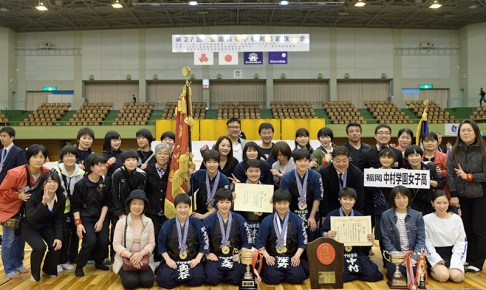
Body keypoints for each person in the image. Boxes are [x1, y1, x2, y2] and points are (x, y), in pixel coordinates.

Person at [0, 144, 50, 279]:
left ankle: (18, 263)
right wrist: (18, 195)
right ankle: (9, 268)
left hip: (28, 211)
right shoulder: (15, 173)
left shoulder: (46, 172)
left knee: (21, 237)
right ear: (28, 158)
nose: (38, 160)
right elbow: (2, 191)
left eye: (41, 157)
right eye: (35, 156)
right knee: (9, 239)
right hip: (11, 209)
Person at [446, 119, 486, 273]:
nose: (466, 133)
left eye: (469, 130)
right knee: (465, 229)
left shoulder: (484, 150)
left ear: (475, 132)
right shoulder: (453, 151)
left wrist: (468, 176)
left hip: (480, 195)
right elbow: (450, 174)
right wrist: (454, 194)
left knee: (479, 230)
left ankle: (477, 261)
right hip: (461, 196)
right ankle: (468, 257)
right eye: (463, 130)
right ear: (459, 133)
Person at [320, 187, 383, 282]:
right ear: (340, 200)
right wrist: (327, 234)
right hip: (338, 252)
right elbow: (322, 232)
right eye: (345, 199)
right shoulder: (332, 215)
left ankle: (352, 274)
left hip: (355, 252)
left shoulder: (359, 216)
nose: (348, 202)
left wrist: (370, 238)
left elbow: (366, 238)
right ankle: (354, 274)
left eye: (351, 199)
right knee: (339, 275)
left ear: (355, 201)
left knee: (374, 274)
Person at [255, 189, 309, 285]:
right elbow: (260, 242)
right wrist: (267, 257)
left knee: (297, 277)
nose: (282, 206)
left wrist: (297, 256)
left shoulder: (297, 220)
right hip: (273, 257)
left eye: (285, 203)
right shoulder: (267, 220)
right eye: (279, 203)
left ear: (289, 203)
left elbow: (303, 241)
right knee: (272, 278)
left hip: (291, 257)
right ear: (274, 204)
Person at [155, 194, 209, 288]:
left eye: (186, 207)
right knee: (164, 279)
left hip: (191, 260)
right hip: (173, 259)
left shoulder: (197, 223)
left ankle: (178, 278)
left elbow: (204, 243)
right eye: (180, 207)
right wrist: (168, 260)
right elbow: (161, 244)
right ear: (175, 208)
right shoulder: (167, 224)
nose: (183, 210)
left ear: (189, 208)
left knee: (199, 278)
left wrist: (197, 259)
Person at [71, 153, 111, 277]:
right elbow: (75, 206)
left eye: (104, 165)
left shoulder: (107, 181)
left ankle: (99, 262)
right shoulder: (81, 185)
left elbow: (106, 203)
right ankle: (80, 265)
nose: (103, 168)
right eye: (99, 165)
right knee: (90, 241)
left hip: (101, 216)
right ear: (91, 167)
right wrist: (78, 224)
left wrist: (101, 221)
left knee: (104, 241)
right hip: (85, 217)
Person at [22, 171, 66, 282]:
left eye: (55, 181)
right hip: (29, 226)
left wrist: (58, 237)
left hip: (46, 226)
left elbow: (59, 219)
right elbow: (31, 219)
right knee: (40, 247)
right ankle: (35, 274)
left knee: (56, 244)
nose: (52, 184)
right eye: (49, 181)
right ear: (43, 184)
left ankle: (48, 270)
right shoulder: (33, 196)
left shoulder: (61, 198)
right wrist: (43, 204)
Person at [203, 188, 251, 285]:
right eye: (221, 202)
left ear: (232, 202)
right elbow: (202, 240)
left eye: (227, 202)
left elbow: (247, 240)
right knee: (212, 278)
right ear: (216, 203)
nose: (224, 205)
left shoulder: (239, 219)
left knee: (236, 278)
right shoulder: (208, 220)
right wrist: (207, 254)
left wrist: (240, 253)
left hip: (234, 256)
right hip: (215, 257)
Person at [112, 189, 155, 289]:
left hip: (143, 258)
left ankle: (139, 273)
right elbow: (116, 245)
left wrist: (140, 254)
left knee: (148, 282)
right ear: (129, 205)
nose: (137, 207)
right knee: (131, 283)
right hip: (126, 259)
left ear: (144, 206)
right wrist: (131, 256)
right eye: (134, 203)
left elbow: (151, 243)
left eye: (140, 204)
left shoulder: (149, 222)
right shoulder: (121, 222)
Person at [381, 185, 425, 278]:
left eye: (404, 197)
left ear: (409, 198)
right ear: (393, 200)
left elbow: (421, 239)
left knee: (414, 273)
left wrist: (414, 258)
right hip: (395, 254)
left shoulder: (417, 216)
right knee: (396, 274)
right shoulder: (385, 215)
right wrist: (398, 256)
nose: (401, 201)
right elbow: (386, 239)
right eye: (398, 198)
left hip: (412, 253)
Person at [53, 145, 85, 271]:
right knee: (63, 235)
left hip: (76, 209)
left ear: (76, 158)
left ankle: (70, 258)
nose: (69, 158)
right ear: (62, 157)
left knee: (76, 236)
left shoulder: (81, 173)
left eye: (72, 155)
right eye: (67, 155)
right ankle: (59, 261)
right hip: (61, 209)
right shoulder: (56, 171)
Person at [280, 149, 323, 242]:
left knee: (311, 239)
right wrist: (289, 218)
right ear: (294, 161)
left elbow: (317, 198)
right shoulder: (286, 177)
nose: (303, 163)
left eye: (305, 161)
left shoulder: (316, 176)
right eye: (299, 161)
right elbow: (284, 199)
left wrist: (312, 216)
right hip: (292, 212)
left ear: (309, 161)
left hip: (310, 212)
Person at [424, 190, 467, 283]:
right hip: (435, 253)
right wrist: (435, 259)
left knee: (457, 277)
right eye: (438, 203)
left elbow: (461, 242)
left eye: (445, 203)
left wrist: (456, 260)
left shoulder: (456, 219)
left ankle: (450, 269)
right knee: (443, 276)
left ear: (449, 203)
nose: (442, 206)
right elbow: (425, 242)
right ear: (432, 203)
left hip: (453, 253)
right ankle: (431, 269)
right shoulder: (426, 219)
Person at [143, 142, 171, 264]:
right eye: (159, 153)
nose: (162, 156)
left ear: (169, 155)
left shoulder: (173, 171)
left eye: (165, 153)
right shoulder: (148, 171)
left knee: (165, 235)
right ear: (155, 155)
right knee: (153, 235)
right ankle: (152, 259)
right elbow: (144, 191)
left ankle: (163, 260)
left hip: (167, 210)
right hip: (152, 210)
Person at [319, 146, 365, 217]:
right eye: (337, 161)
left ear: (349, 160)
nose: (341, 164)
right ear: (332, 160)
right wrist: (324, 215)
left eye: (344, 161)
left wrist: (357, 215)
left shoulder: (356, 173)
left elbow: (359, 196)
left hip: (351, 211)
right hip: (331, 210)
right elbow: (324, 196)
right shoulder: (325, 172)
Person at [231, 159, 269, 242]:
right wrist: (232, 200)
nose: (254, 174)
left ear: (260, 172)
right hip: (243, 225)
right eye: (250, 171)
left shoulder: (267, 190)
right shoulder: (239, 189)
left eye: (257, 171)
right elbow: (232, 210)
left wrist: (273, 203)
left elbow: (271, 212)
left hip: (261, 225)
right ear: (246, 172)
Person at [189, 150, 230, 220]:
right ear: (204, 163)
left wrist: (204, 216)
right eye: (209, 162)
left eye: (215, 162)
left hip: (218, 215)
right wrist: (188, 176)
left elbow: (223, 202)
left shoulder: (224, 180)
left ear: (219, 163)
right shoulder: (199, 174)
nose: (212, 165)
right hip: (200, 211)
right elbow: (189, 192)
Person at [404, 145, 444, 215]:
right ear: (407, 158)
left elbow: (441, 183)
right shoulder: (404, 172)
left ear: (421, 156)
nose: (414, 158)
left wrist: (429, 182)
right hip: (413, 206)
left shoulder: (430, 166)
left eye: (417, 155)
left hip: (429, 205)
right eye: (411, 156)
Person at [422, 132, 450, 198]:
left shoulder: (444, 157)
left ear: (437, 143)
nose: (430, 143)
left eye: (432, 141)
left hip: (440, 191)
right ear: (422, 143)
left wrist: (442, 172)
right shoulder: (418, 157)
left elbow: (451, 172)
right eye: (426, 141)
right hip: (422, 192)